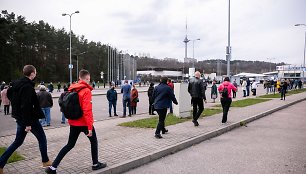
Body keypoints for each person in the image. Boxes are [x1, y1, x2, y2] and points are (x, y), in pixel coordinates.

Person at [45, 69, 107, 174]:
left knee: (69, 144)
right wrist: (90, 127)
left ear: (79, 78)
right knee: (94, 142)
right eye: (89, 78)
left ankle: (53, 168)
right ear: (87, 78)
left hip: (73, 122)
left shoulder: (72, 88)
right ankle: (95, 164)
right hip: (83, 123)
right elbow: (87, 110)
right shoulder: (86, 91)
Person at [0, 65, 51, 174]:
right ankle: (45, 161)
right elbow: (26, 105)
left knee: (17, 142)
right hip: (29, 120)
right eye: (35, 72)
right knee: (42, 139)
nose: (36, 73)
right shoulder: (27, 86)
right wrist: (28, 124)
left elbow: (10, 95)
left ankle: (0, 164)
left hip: (20, 118)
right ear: (32, 73)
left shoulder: (16, 84)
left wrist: (16, 112)